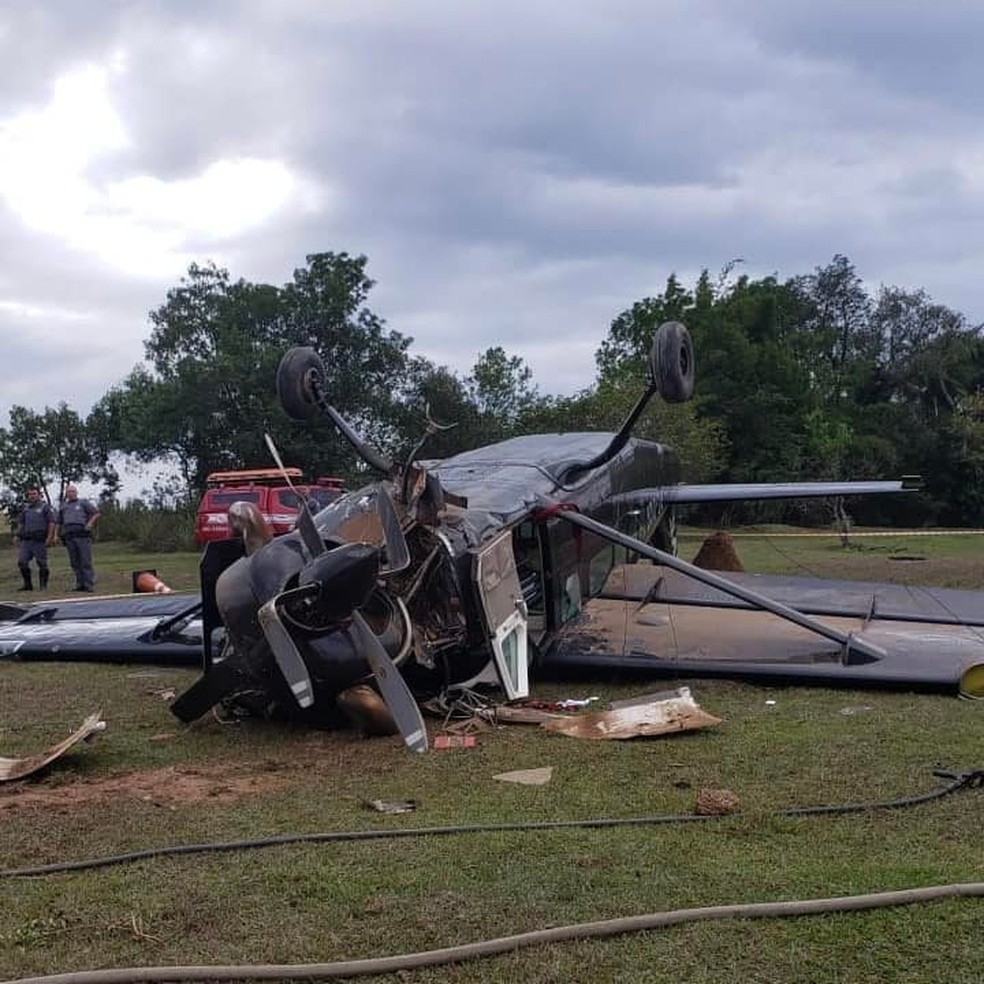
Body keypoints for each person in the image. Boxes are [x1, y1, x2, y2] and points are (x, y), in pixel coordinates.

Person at [57, 484, 100, 592]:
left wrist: (90, 523)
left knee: (85, 560)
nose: (70, 494)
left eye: (72, 491)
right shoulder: (63, 506)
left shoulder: (83, 503)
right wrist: (56, 534)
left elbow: (96, 513)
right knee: (74, 562)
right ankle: (79, 584)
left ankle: (88, 584)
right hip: (69, 535)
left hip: (82, 534)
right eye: (68, 492)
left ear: (76, 492)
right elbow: (59, 521)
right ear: (66, 494)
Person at [13, 486, 56, 591]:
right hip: (26, 540)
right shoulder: (26, 509)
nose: (32, 496)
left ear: (39, 495)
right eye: (30, 494)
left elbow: (51, 523)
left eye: (34, 494)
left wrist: (50, 537)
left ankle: (43, 586)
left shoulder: (45, 507)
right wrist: (17, 535)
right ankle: (28, 585)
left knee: (42, 563)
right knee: (22, 562)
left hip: (40, 540)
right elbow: (21, 523)